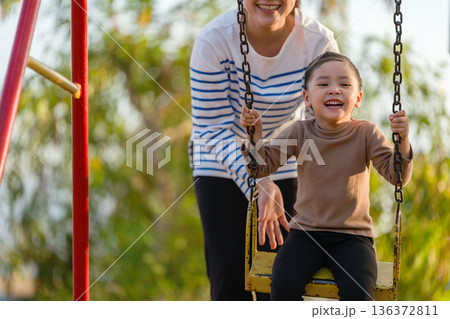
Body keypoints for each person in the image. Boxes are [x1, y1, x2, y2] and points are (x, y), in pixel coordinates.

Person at [189, 1, 339, 300]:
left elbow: (322, 123)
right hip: (219, 160)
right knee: (230, 278)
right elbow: (211, 128)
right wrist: (257, 181)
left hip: (284, 156)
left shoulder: (318, 42)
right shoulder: (213, 41)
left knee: (286, 276)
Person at [240, 52, 413, 301]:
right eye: (323, 84)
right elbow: (260, 167)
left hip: (354, 238)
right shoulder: (299, 131)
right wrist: (254, 136)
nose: (334, 90)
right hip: (306, 233)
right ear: (307, 98)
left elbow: (397, 176)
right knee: (283, 285)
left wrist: (403, 140)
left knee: (358, 293)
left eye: (344, 84)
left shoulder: (366, 133)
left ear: (358, 98)